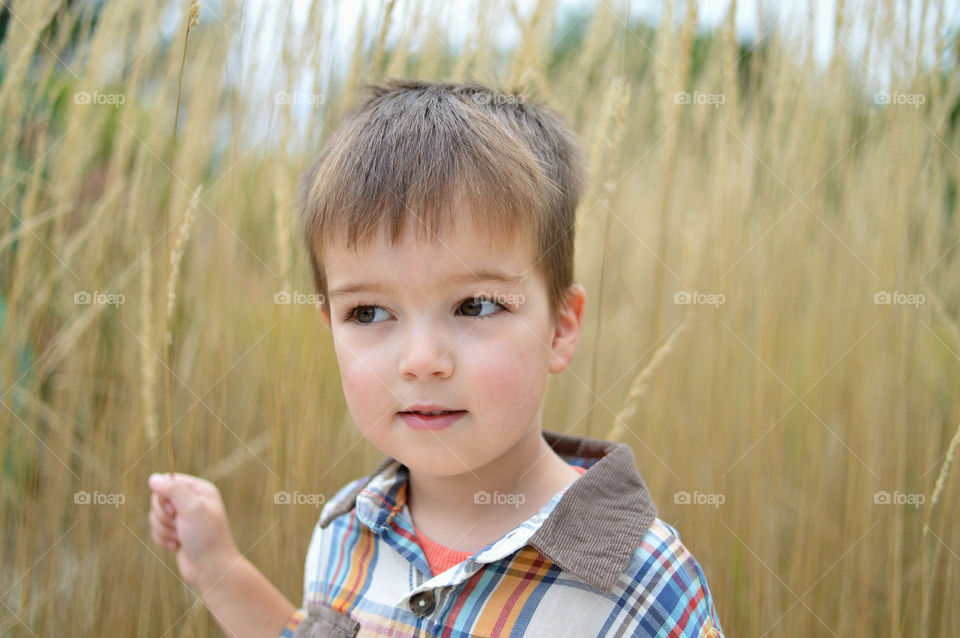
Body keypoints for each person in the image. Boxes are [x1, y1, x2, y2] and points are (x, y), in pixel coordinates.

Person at [148, 79, 724, 637]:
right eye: (369, 313)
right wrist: (216, 569)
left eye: (475, 305)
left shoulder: (641, 586)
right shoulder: (347, 529)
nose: (422, 361)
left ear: (560, 327)